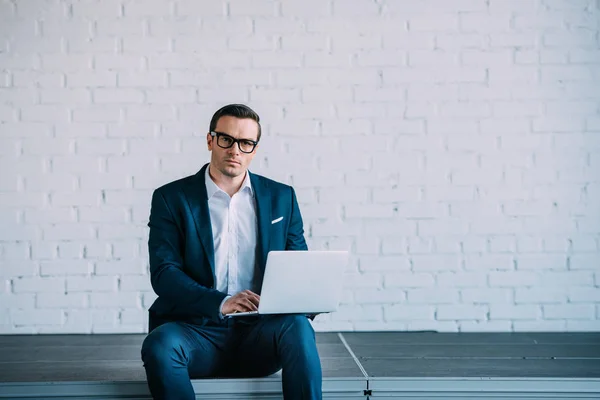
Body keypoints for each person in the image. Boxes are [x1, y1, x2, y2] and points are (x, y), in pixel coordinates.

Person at [141, 104, 322, 400]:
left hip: (261, 335)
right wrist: (221, 303)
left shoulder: (281, 198)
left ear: (254, 148)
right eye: (226, 139)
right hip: (197, 332)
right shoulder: (171, 198)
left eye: (245, 143)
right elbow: (164, 273)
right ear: (210, 140)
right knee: (159, 345)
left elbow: (297, 267)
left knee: (299, 328)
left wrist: (307, 298)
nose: (235, 150)